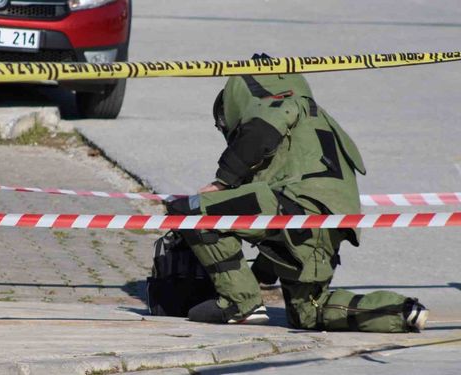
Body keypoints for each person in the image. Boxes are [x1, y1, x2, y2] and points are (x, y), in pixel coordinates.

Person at [166, 65, 429, 332]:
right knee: (309, 312)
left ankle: (239, 304)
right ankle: (402, 311)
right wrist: (259, 273)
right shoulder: (319, 121)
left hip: (296, 208)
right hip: (327, 225)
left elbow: (259, 135)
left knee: (190, 210)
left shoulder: (281, 105)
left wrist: (221, 182)